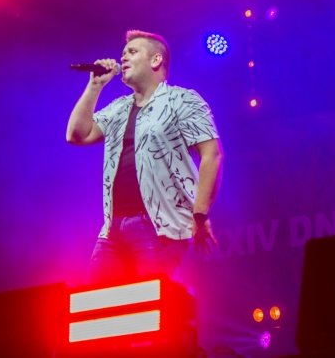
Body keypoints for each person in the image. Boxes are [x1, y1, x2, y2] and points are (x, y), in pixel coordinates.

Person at [66, 30, 223, 284]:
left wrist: (200, 215)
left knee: (151, 303)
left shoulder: (182, 100)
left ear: (156, 60)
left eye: (132, 52)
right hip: (112, 229)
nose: (123, 58)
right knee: (96, 303)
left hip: (157, 228)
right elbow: (76, 135)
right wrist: (95, 86)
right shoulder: (119, 107)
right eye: (123, 53)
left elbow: (212, 156)